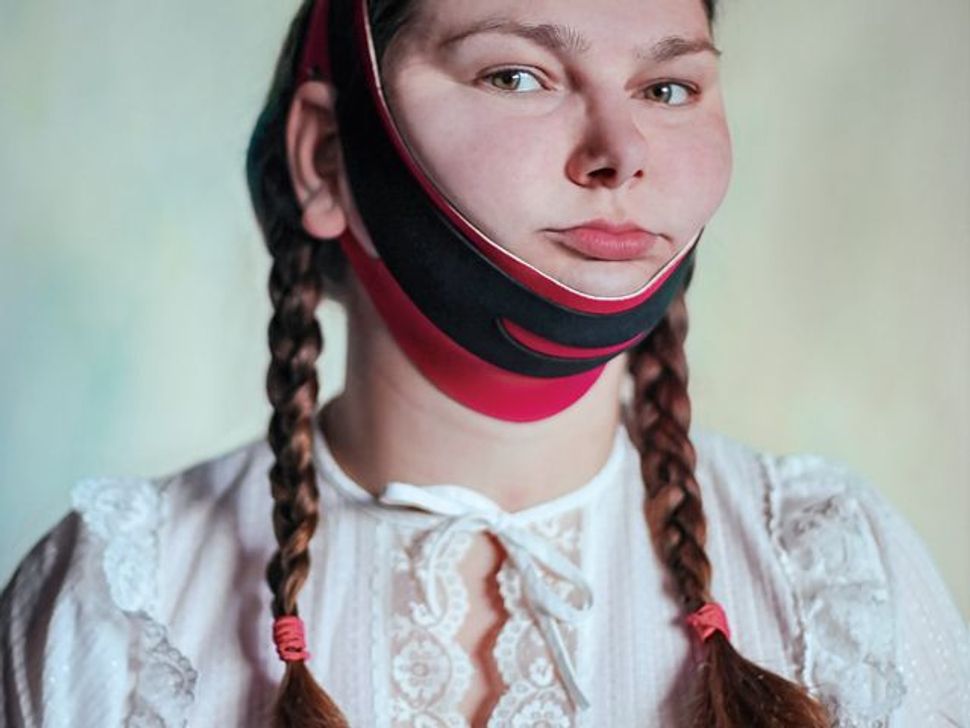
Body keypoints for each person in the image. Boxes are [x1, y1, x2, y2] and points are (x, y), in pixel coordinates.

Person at [2, 0, 968, 726]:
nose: (621, 153)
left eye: (666, 88)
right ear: (329, 157)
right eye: (518, 75)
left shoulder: (836, 577)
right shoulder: (121, 603)